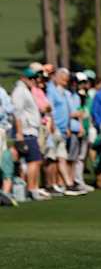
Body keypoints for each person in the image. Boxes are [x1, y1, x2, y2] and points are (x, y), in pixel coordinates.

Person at [12, 68, 50, 200]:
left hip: (31, 130)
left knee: (34, 161)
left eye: (35, 78)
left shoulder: (26, 90)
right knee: (34, 161)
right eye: (32, 78)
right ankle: (31, 189)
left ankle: (31, 189)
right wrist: (20, 133)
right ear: (24, 78)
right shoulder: (20, 91)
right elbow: (17, 114)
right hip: (26, 131)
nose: (35, 81)